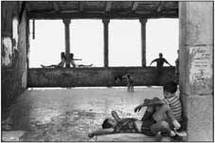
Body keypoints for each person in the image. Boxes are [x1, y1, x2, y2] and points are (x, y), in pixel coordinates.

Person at [88, 99, 180, 139]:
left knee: (164, 106)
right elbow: (103, 131)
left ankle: (174, 123)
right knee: (163, 124)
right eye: (112, 121)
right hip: (146, 129)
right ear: (110, 126)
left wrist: (117, 119)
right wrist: (92, 133)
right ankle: (172, 134)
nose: (114, 120)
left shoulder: (120, 121)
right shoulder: (115, 129)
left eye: (112, 120)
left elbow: (113, 112)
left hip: (145, 122)